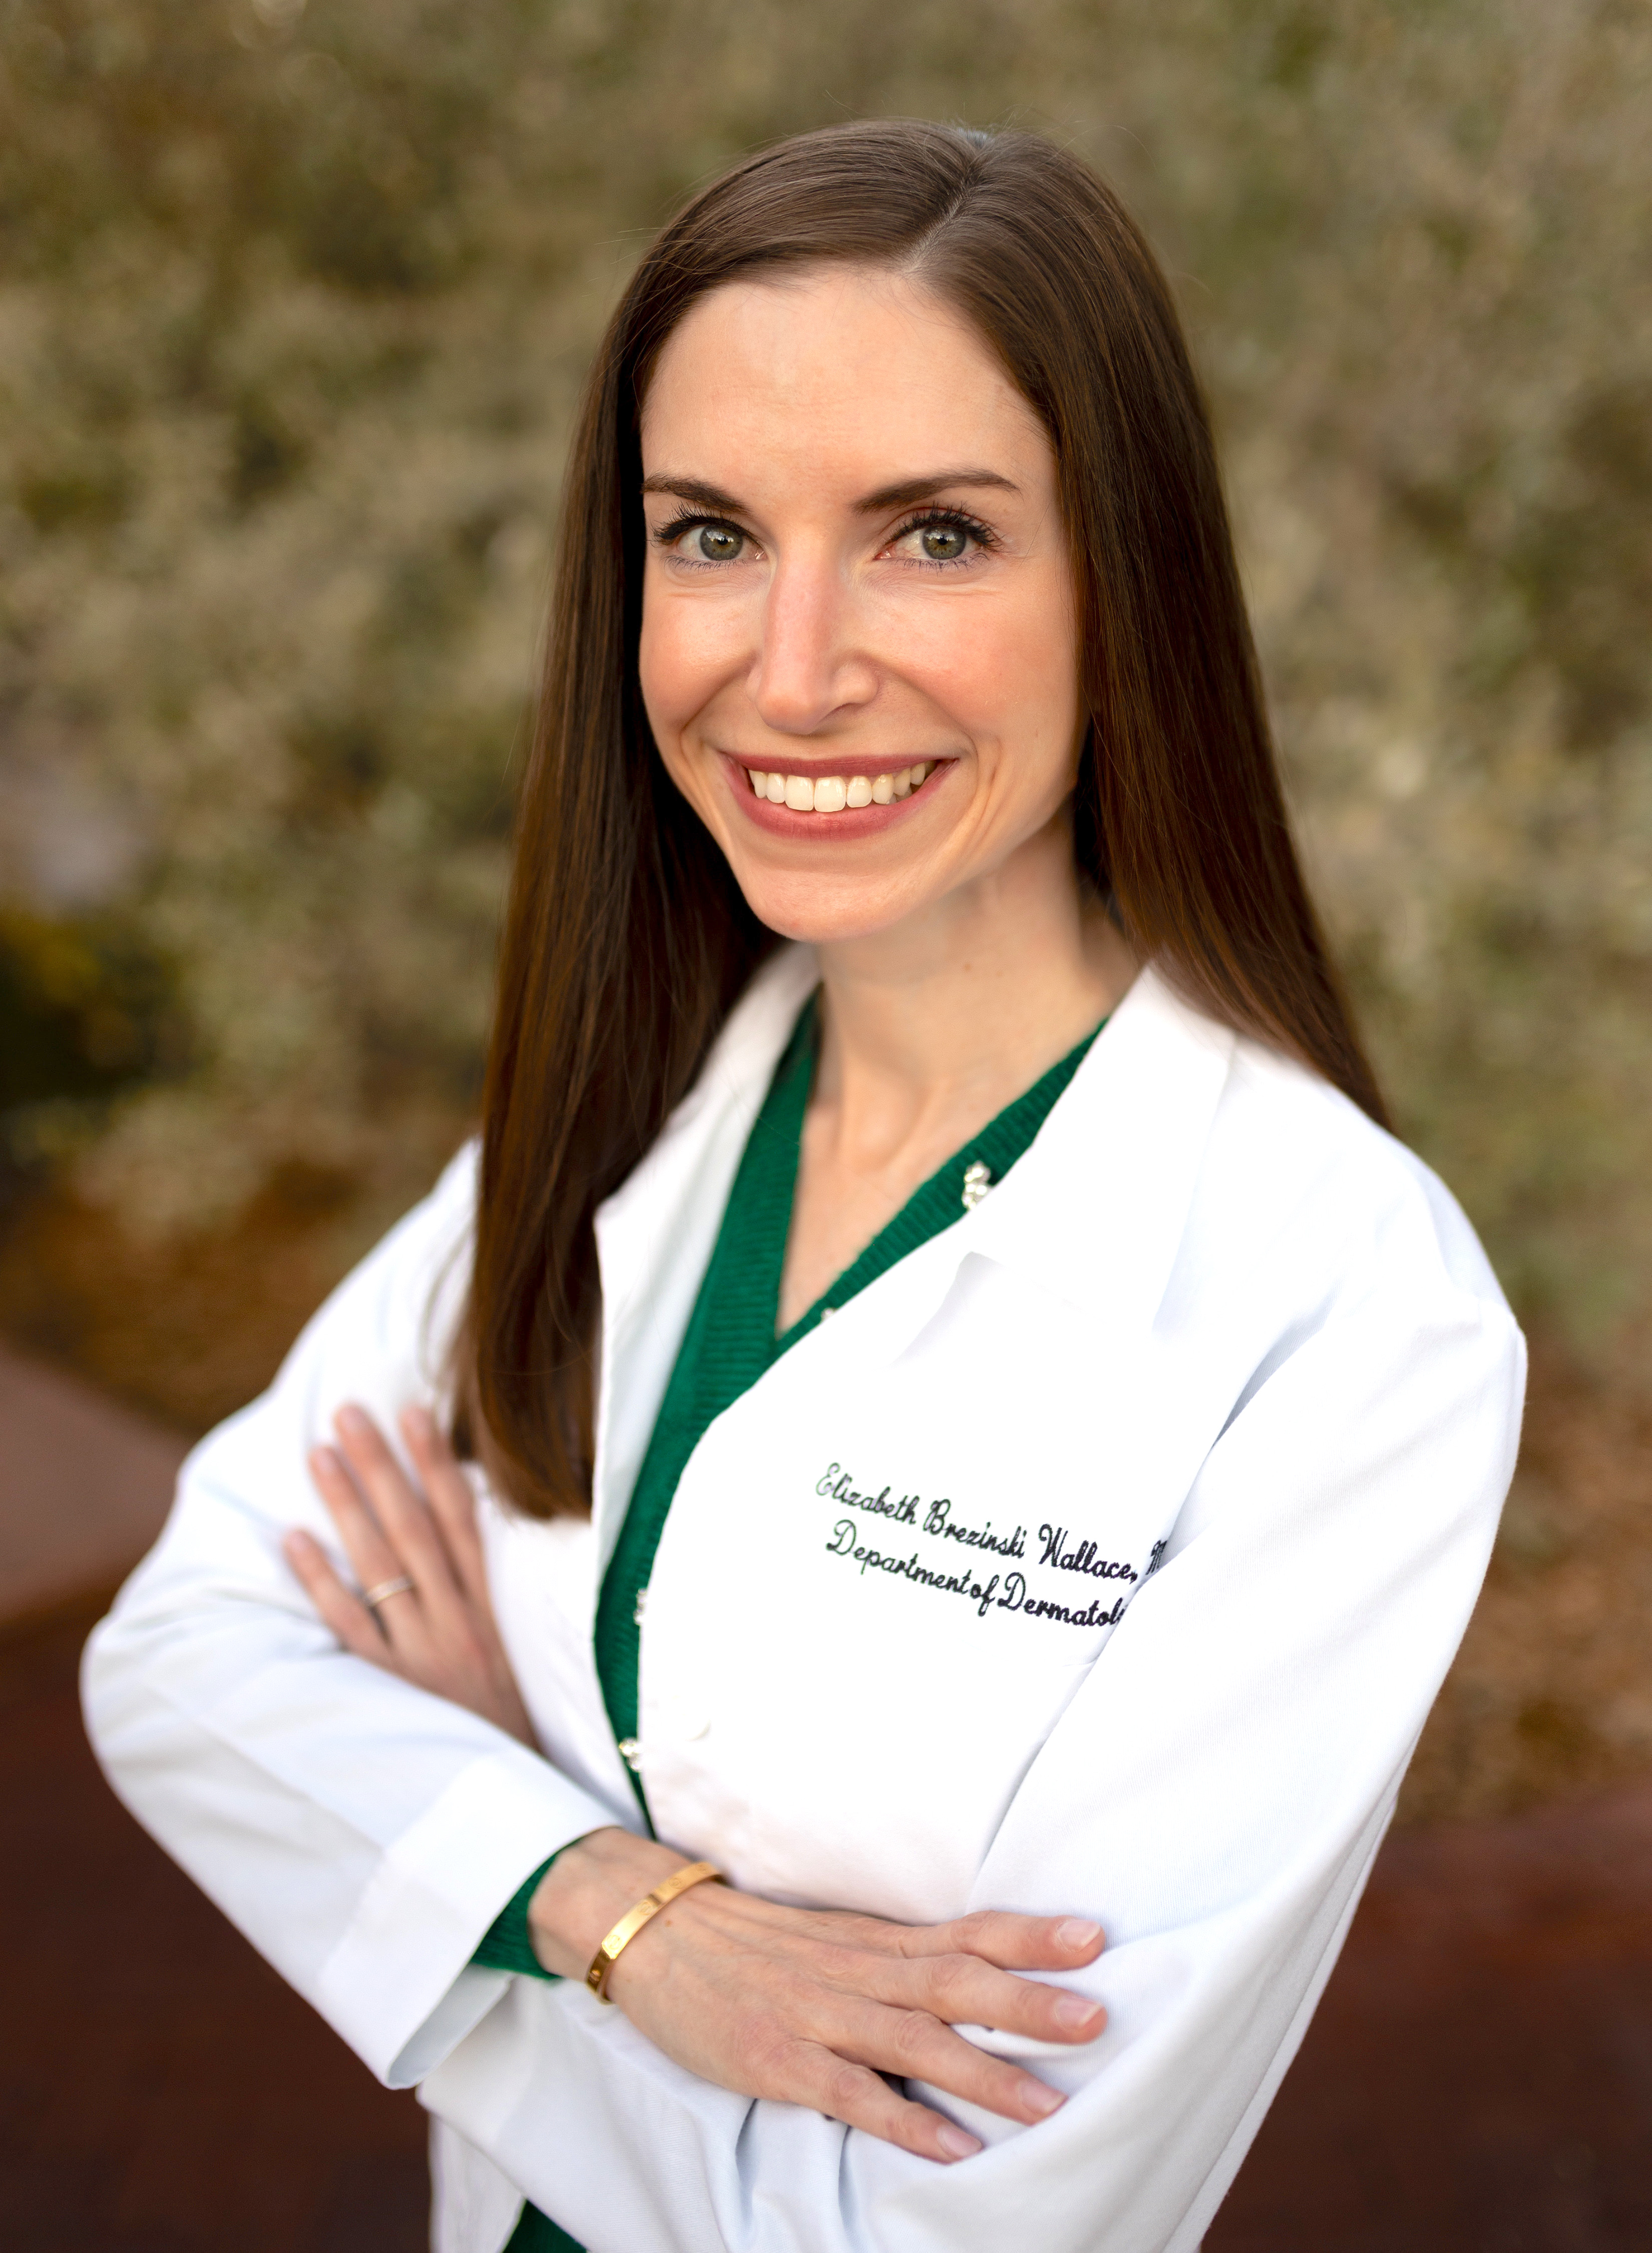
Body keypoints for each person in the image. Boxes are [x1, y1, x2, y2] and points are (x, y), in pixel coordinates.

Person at [83, 120, 1524, 2253]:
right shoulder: (630, 1114)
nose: (789, 669)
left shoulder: (1343, 1308)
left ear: (1127, 582)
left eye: (933, 535)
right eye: (710, 535)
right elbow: (180, 1657)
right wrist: (608, 1905)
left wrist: (470, 1863)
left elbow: (930, 2222)